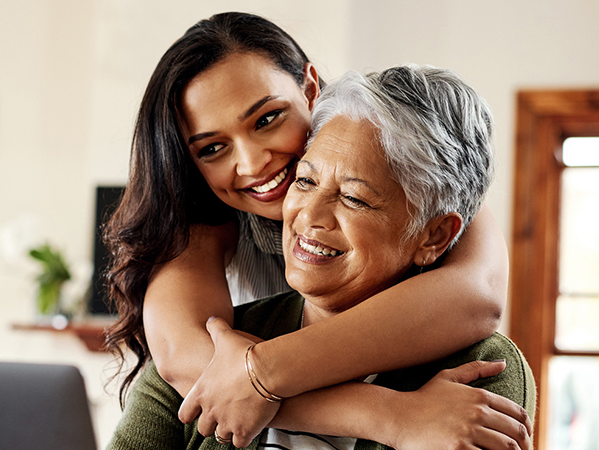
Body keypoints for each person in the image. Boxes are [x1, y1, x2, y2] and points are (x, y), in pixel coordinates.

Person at [104, 12, 526, 448]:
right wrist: (386, 415)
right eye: (212, 147)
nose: (252, 164)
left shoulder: (415, 162)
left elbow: (475, 297)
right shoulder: (202, 223)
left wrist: (262, 373)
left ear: (309, 89)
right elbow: (197, 369)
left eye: (267, 119)